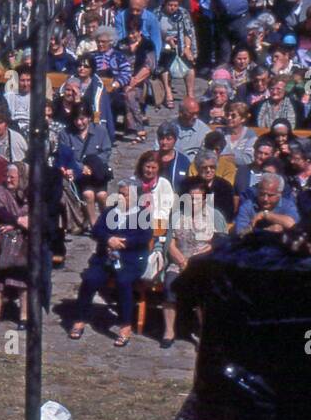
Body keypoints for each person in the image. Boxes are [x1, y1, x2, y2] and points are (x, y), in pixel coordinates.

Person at [69, 178, 155, 347]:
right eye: (120, 194)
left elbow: (144, 237)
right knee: (90, 279)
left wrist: (123, 242)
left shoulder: (142, 215)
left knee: (123, 282)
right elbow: (96, 231)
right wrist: (109, 239)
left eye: (126, 195)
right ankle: (80, 318)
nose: (122, 199)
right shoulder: (110, 212)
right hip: (106, 257)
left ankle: (125, 325)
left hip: (130, 259)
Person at [161, 187, 225, 347]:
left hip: (203, 264)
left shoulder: (214, 216)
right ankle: (169, 332)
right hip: (179, 262)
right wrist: (181, 260)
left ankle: (205, 334)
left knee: (203, 289)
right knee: (170, 284)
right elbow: (169, 242)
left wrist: (201, 255)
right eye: (190, 198)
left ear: (204, 200)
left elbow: (221, 241)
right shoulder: (177, 216)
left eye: (197, 199)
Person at [0, 163, 31, 331]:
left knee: (23, 278)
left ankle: (24, 316)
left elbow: (33, 217)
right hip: (1, 239)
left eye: (13, 177)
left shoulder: (31, 193)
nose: (9, 180)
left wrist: (16, 226)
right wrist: (17, 221)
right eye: (7, 176)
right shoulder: (0, 191)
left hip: (23, 241)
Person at [58, 106, 114, 228]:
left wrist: (91, 167)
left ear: (89, 118)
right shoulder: (65, 134)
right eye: (76, 119)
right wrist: (81, 167)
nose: (79, 123)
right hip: (79, 173)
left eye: (82, 119)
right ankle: (94, 225)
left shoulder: (100, 131)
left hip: (97, 171)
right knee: (88, 194)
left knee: (102, 195)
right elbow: (66, 155)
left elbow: (106, 151)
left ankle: (107, 223)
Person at [234, 172, 300, 236]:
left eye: (270, 195)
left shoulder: (287, 206)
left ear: (279, 194)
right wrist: (266, 231)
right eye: (262, 194)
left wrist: (265, 215)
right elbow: (240, 234)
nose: (265, 199)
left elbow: (293, 225)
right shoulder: (248, 206)